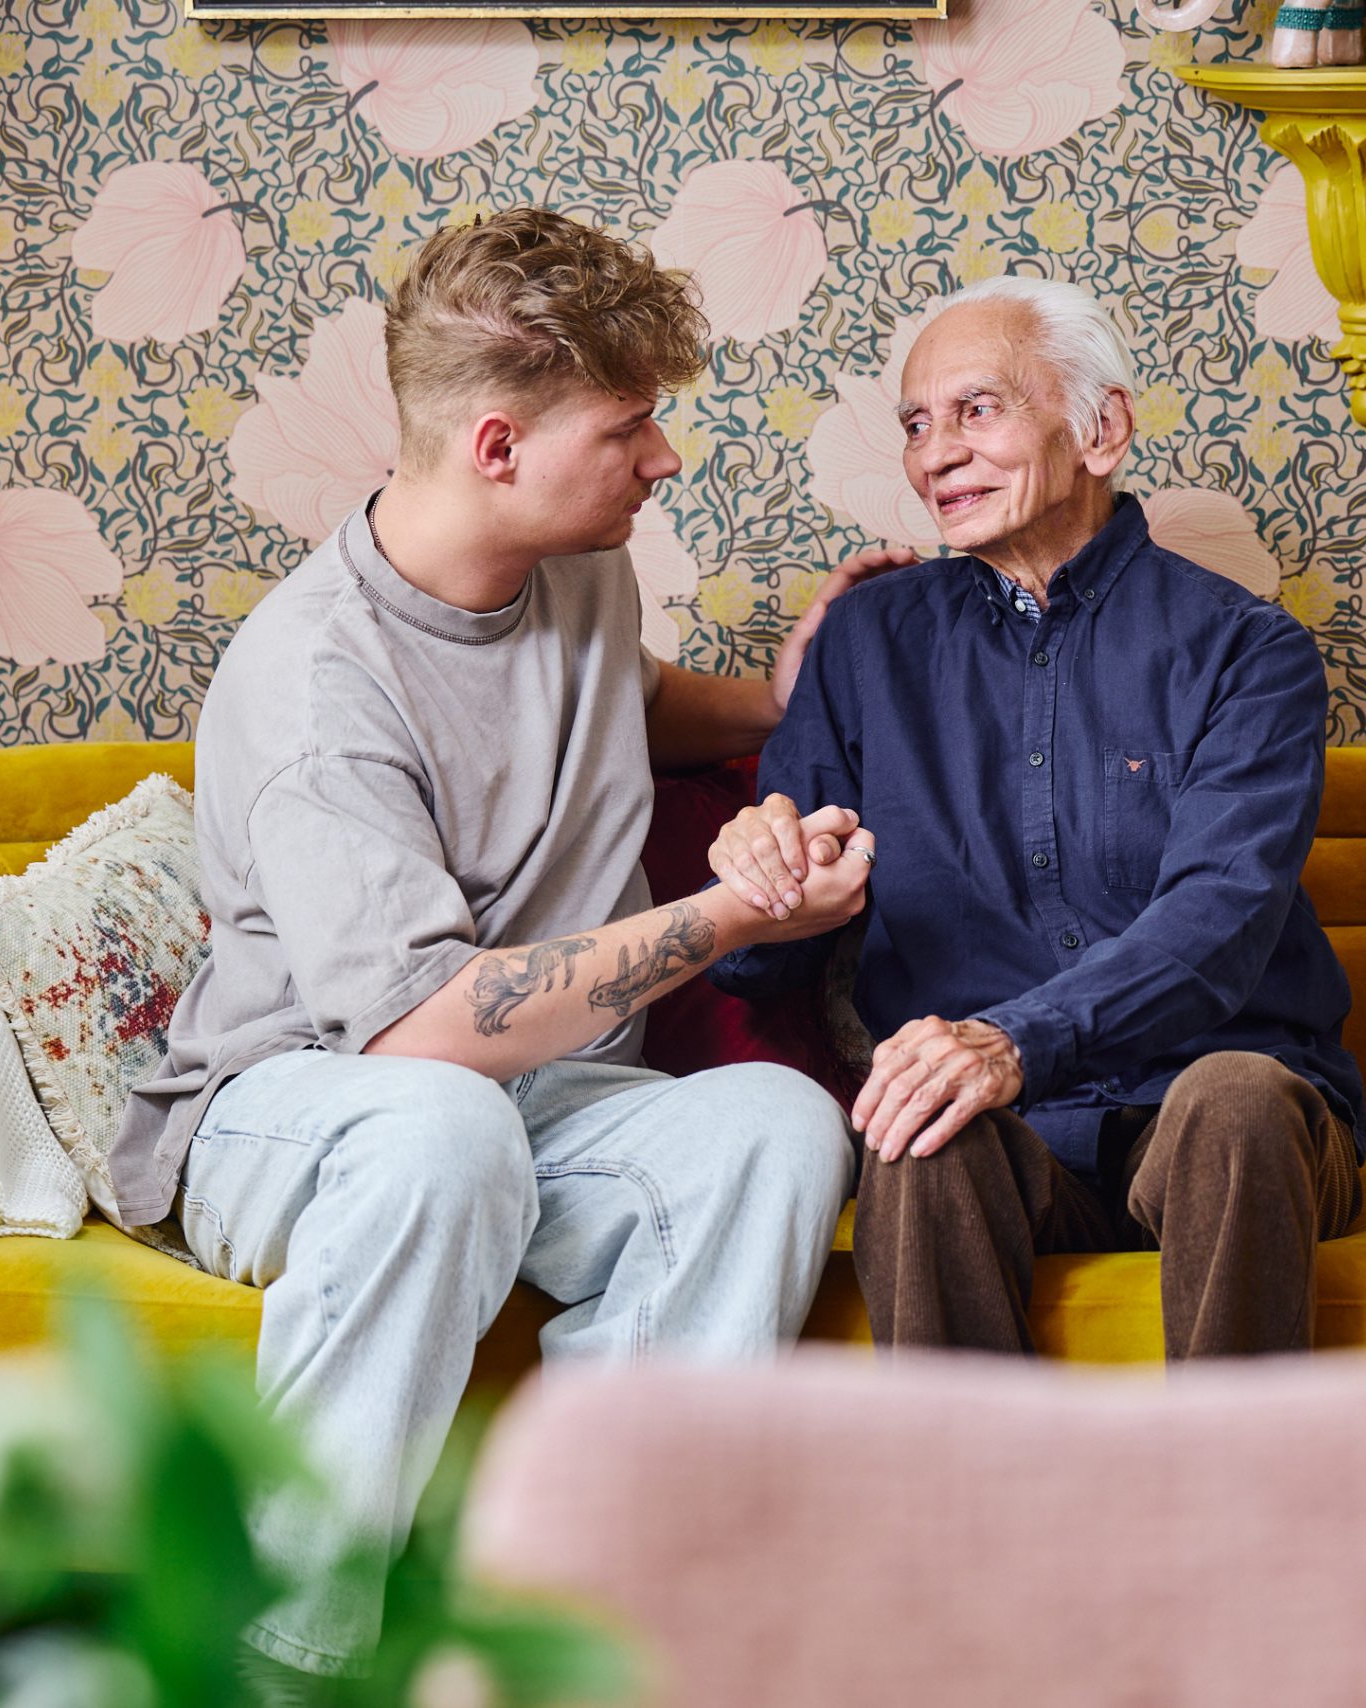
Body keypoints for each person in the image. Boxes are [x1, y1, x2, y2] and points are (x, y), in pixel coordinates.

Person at [105, 208, 900, 1684]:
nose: (664, 458)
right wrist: (731, 916)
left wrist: (785, 696)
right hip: (309, 1097)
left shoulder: (580, 566)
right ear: (493, 445)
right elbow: (420, 1035)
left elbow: (625, 696)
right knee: (438, 1133)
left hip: (540, 1093)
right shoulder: (313, 685)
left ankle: (573, 1628)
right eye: (631, 425)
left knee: (778, 1129)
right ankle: (287, 1654)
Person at [710, 275, 1365, 1361]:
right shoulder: (864, 643)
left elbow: (1220, 920)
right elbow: (770, 954)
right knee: (917, 1127)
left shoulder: (1247, 651)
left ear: (1098, 429)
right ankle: (969, 1525)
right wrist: (757, 881)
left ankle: (1236, 1519)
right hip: (996, 1132)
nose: (934, 454)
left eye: (976, 410)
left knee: (1236, 1099)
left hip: (1217, 1109)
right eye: (917, 425)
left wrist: (1017, 1039)